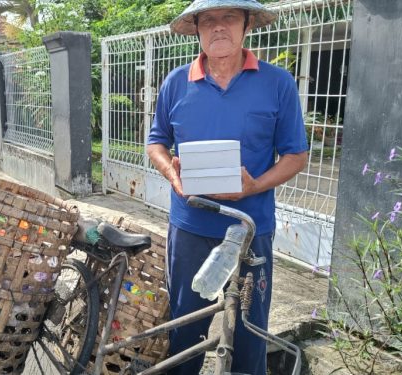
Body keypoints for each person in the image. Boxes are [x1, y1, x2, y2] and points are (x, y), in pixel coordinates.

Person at [146, 1, 309, 374]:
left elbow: (296, 156)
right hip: (189, 228)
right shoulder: (176, 82)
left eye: (229, 18)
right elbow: (156, 143)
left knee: (250, 338)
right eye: (209, 20)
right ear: (198, 29)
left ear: (247, 24)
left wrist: (253, 187)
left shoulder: (277, 83)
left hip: (249, 231)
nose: (219, 27)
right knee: (185, 335)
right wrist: (172, 175)